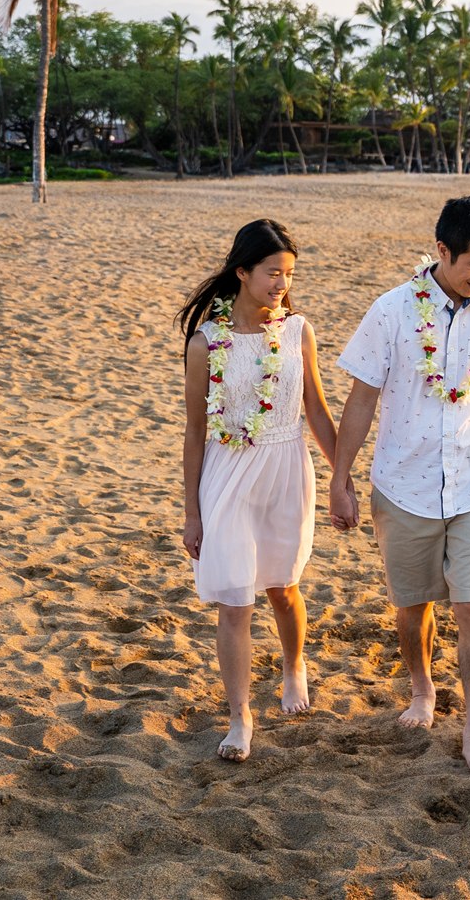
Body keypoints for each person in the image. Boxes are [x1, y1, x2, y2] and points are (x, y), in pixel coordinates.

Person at [327, 195, 470, 778]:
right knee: (412, 604)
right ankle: (422, 689)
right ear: (442, 251)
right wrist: (340, 479)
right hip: (404, 483)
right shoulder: (391, 311)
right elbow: (361, 400)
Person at [178, 219, 340, 763]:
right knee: (234, 601)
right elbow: (194, 431)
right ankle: (240, 717)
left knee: (283, 588)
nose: (281, 284)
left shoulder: (297, 332)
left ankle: (294, 666)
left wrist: (341, 477)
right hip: (226, 474)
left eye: (289, 274)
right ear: (242, 272)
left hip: (286, 468)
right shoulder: (206, 343)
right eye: (273, 273)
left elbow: (316, 409)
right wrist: (192, 513)